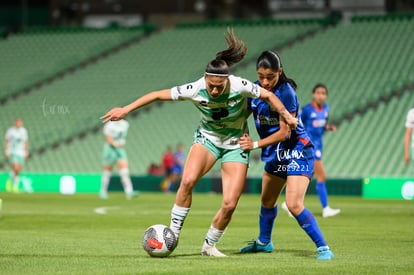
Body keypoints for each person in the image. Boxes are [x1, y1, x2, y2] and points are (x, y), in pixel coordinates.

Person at [101, 28, 298, 257]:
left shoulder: (239, 84)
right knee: (187, 180)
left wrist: (285, 114)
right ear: (205, 79)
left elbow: (269, 96)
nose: (214, 90)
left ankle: (209, 246)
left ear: (227, 81)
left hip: (235, 144)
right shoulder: (195, 89)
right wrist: (125, 109)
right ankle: (172, 235)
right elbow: (156, 95)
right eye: (211, 85)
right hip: (208, 139)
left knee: (230, 203)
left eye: (219, 86)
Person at [238, 51, 334, 260]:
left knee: (293, 204)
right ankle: (264, 243)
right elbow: (241, 116)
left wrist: (253, 144)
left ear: (279, 72)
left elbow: (285, 132)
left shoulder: (286, 92)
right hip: (276, 153)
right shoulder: (255, 90)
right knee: (267, 200)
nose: (265, 82)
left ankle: (324, 248)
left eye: (270, 77)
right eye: (261, 76)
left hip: (297, 150)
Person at [299, 83, 340, 218]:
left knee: (307, 177)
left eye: (323, 93)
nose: (321, 96)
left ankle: (292, 203)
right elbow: (298, 124)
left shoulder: (326, 109)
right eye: (318, 93)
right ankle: (325, 208)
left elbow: (323, 125)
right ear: (313, 94)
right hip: (310, 146)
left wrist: (329, 128)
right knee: (321, 176)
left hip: (319, 145)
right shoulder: (307, 110)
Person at [100, 119, 138, 200]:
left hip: (120, 149)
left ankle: (129, 191)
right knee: (107, 170)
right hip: (110, 149)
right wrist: (115, 144)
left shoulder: (125, 124)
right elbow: (108, 138)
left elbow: (123, 136)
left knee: (124, 171)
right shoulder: (109, 125)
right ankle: (103, 191)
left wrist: (120, 144)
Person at [5, 118, 29, 193]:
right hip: (13, 152)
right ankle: (15, 186)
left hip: (21, 152)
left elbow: (25, 142)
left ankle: (11, 179)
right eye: (17, 122)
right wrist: (7, 151)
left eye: (20, 123)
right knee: (15, 168)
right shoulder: (10, 131)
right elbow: (6, 141)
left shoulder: (24, 131)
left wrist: (26, 152)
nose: (18, 124)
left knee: (18, 170)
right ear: (15, 123)